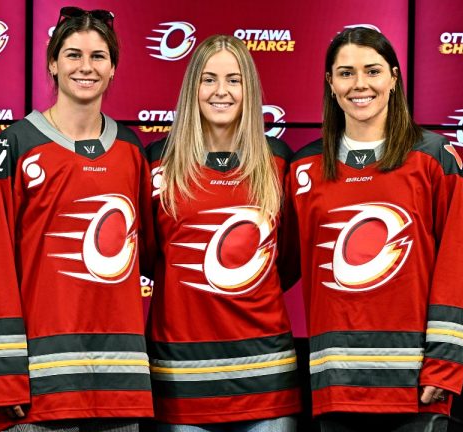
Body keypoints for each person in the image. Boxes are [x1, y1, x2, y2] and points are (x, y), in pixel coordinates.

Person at [0, 7, 154, 432]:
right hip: (38, 390)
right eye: (73, 55)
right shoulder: (11, 147)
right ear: (53, 63)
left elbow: (153, 255)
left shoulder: (130, 150)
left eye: (98, 57)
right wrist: (3, 379)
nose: (85, 67)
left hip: (118, 388)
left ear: (113, 69)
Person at [285, 27, 463, 431]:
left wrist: (444, 364)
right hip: (335, 385)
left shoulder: (434, 157)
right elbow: (278, 266)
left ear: (393, 77)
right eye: (346, 73)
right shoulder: (304, 167)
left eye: (372, 71)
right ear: (330, 83)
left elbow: (458, 266)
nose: (360, 85)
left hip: (413, 386)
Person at [145, 35, 301, 431]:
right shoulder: (156, 161)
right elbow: (148, 255)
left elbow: (289, 260)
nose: (221, 91)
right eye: (209, 79)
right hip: (181, 379)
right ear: (192, 88)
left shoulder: (279, 160)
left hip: (266, 376)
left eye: (234, 80)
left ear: (249, 89)